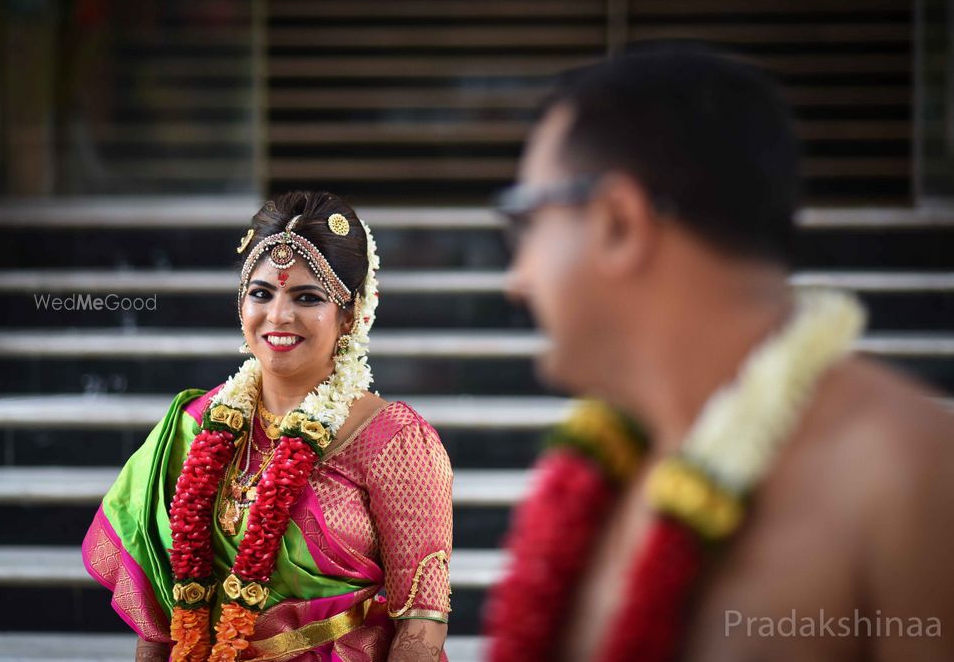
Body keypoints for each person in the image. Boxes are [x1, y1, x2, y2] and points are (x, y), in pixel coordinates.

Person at [485, 45, 954, 661]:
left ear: (618, 223)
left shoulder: (910, 475)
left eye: (527, 222)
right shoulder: (610, 482)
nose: (515, 279)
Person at [83, 192, 453, 662]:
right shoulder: (195, 425)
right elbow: (160, 615)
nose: (278, 316)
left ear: (349, 314)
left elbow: (421, 628)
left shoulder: (394, 443)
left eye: (307, 297)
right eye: (262, 293)